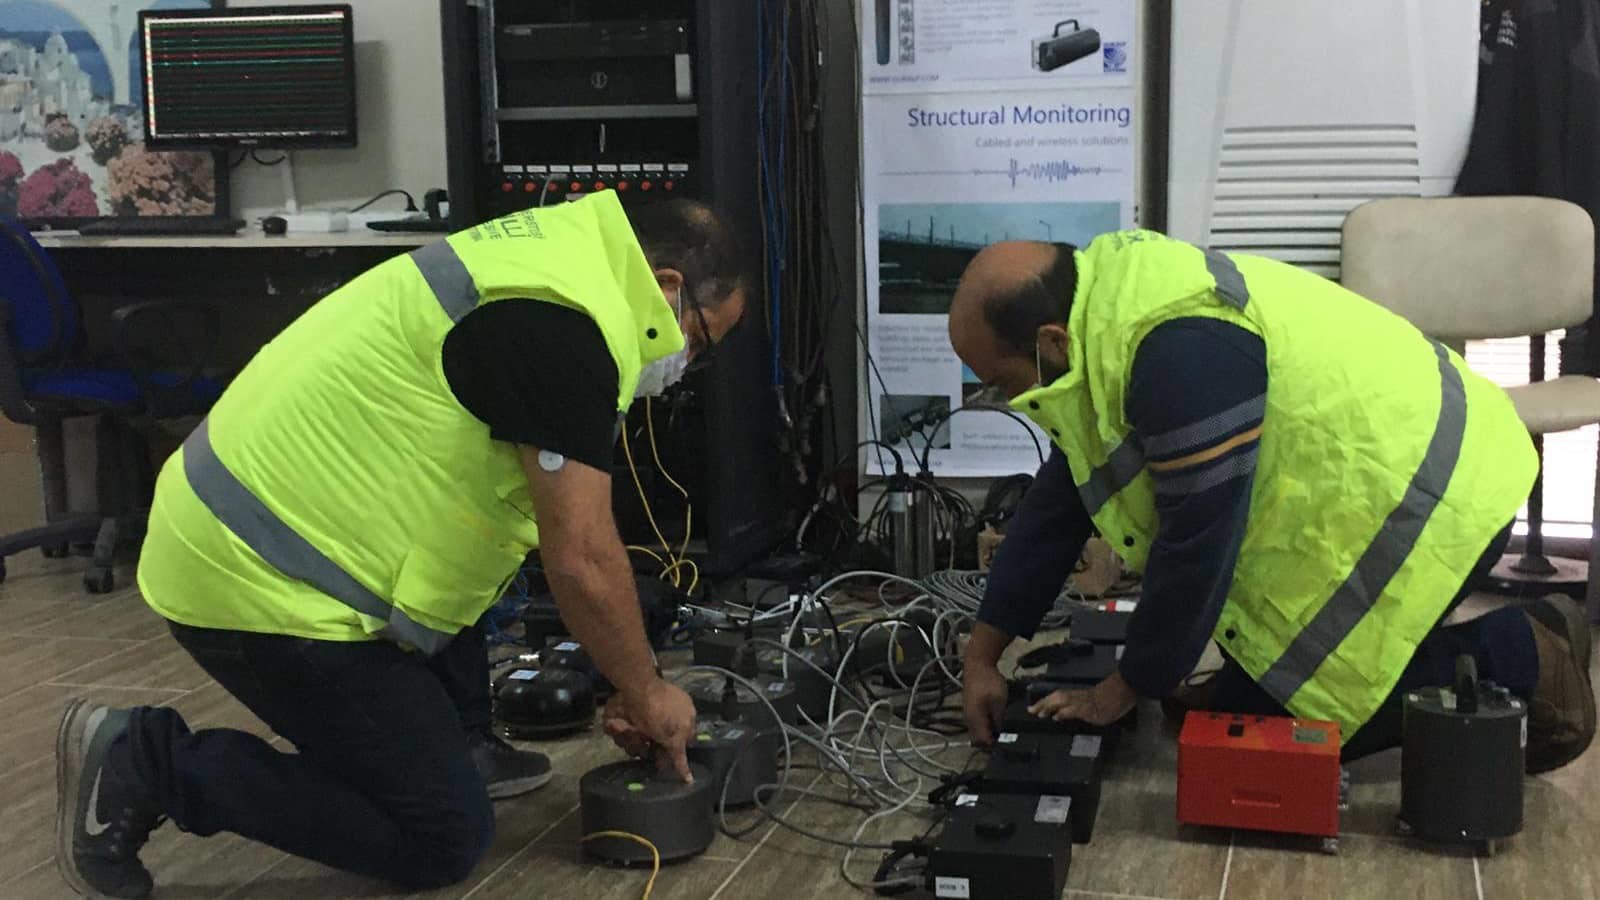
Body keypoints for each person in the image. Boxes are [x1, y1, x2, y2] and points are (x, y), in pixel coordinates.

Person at [53, 193, 749, 900]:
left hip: (281, 519)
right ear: (667, 287)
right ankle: (144, 762)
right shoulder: (570, 324)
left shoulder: (561, 255)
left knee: (494, 546)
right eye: (701, 338)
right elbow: (583, 559)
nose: (687, 362)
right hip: (257, 569)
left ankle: (456, 743)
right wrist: (645, 688)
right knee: (440, 837)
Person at [949, 229, 1596, 769]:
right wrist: (982, 654)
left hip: (1444, 501)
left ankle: (1525, 650)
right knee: (1219, 721)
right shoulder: (1104, 320)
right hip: (1388, 489)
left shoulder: (1174, 350)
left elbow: (1196, 549)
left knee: (1287, 740)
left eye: (1002, 383)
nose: (1009, 401)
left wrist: (1120, 689)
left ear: (1052, 342)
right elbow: (1060, 501)